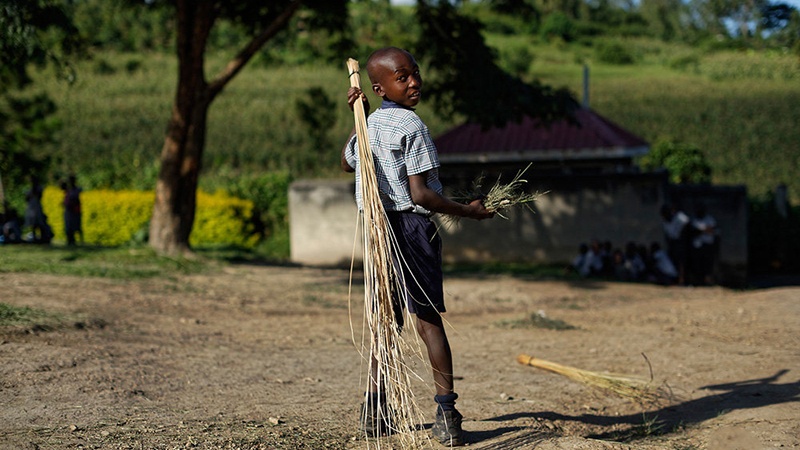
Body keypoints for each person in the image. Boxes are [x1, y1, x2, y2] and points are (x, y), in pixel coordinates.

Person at [341, 47, 494, 446]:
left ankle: (374, 411)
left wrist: (360, 118)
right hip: (410, 228)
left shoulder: (371, 124)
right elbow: (422, 195)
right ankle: (447, 413)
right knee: (427, 321)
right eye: (402, 77)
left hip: (377, 229)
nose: (413, 83)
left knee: (383, 320)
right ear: (379, 87)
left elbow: (347, 162)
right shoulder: (412, 126)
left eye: (415, 74)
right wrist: (468, 211)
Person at [660, 203, 689, 285]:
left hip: (682, 242)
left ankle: (682, 280)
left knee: (682, 262)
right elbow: (668, 235)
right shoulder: (665, 221)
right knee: (673, 261)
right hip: (673, 243)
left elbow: (687, 228)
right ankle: (675, 279)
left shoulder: (680, 218)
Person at [689, 204, 717, 285]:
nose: (699, 212)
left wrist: (700, 230)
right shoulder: (694, 219)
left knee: (708, 264)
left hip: (707, 245)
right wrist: (704, 230)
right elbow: (693, 232)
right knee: (697, 264)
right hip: (697, 246)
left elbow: (712, 230)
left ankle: (707, 281)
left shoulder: (709, 219)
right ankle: (698, 281)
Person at [23, 176, 53, 243]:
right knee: (33, 224)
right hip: (31, 208)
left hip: (37, 207)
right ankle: (34, 237)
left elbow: (39, 196)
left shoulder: (39, 188)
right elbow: (26, 199)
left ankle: (42, 238)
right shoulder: (30, 189)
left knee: (39, 223)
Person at [62, 175, 83, 245]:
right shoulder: (68, 190)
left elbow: (76, 200)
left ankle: (79, 241)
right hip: (68, 210)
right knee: (68, 226)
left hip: (75, 210)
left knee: (76, 226)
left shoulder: (77, 190)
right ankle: (70, 240)